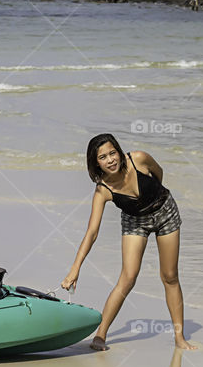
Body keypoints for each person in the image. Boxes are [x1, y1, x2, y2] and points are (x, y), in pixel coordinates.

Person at [62, 134, 195, 351]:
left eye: (112, 153)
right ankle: (100, 336)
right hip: (135, 221)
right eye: (103, 157)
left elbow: (158, 173)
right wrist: (74, 270)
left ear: (119, 151)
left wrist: (153, 198)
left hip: (165, 212)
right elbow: (92, 232)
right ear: (96, 163)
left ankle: (179, 338)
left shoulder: (139, 159)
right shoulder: (103, 190)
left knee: (170, 276)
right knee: (128, 277)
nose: (110, 160)